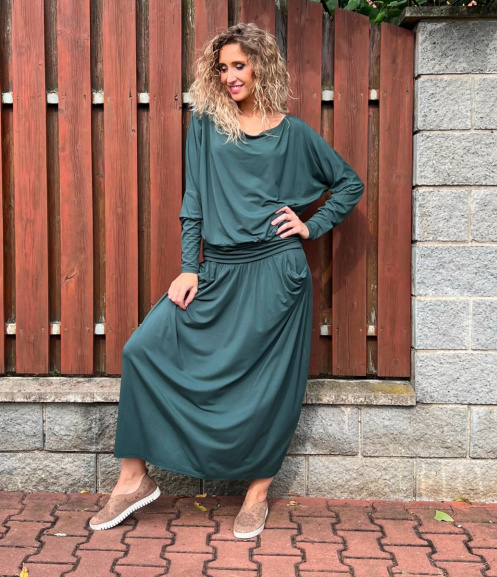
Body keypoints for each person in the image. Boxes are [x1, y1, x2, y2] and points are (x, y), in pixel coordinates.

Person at [89, 22, 364, 539]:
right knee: (142, 349)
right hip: (216, 268)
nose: (231, 76)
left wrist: (311, 225)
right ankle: (133, 479)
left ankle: (257, 494)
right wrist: (189, 266)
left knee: (270, 387)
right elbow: (194, 200)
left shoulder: (293, 132)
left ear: (261, 66)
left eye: (240, 65)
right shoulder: (207, 124)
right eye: (222, 68)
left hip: (277, 274)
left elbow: (349, 183)